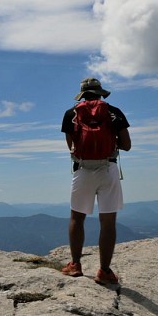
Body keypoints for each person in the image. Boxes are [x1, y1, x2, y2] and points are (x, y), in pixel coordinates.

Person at [60, 77, 131, 285]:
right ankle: (105, 271)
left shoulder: (71, 114)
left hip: (83, 170)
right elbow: (126, 145)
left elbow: (71, 147)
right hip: (108, 169)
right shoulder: (114, 112)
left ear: (82, 94)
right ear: (100, 93)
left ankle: (75, 265)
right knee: (108, 221)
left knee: (77, 217)